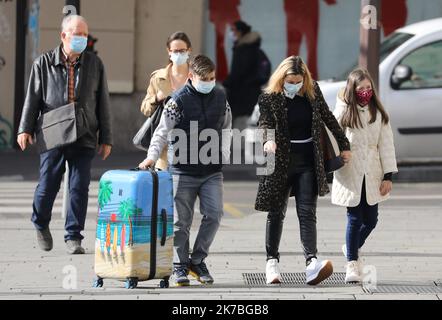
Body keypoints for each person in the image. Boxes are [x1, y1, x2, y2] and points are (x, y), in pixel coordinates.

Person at [17, 15, 113, 254]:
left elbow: (103, 102)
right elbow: (33, 98)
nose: (82, 38)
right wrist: (24, 128)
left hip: (85, 131)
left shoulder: (95, 64)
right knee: (48, 183)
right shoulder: (43, 63)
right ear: (64, 35)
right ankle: (40, 223)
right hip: (54, 130)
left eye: (84, 34)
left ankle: (74, 236)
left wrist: (106, 138)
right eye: (77, 34)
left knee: (79, 186)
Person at [254, 56, 351, 285]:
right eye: (290, 81)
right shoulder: (269, 98)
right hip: (279, 162)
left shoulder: (311, 91)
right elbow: (265, 123)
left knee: (307, 212)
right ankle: (271, 263)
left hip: (308, 161)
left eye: (298, 81)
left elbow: (328, 117)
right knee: (276, 212)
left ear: (304, 79)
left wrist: (344, 145)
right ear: (282, 78)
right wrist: (268, 141)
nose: (294, 85)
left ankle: (311, 263)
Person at [139, 55, 232, 287]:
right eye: (204, 78)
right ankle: (180, 265)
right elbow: (161, 131)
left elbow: (227, 125)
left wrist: (225, 151)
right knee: (181, 222)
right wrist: (151, 157)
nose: (209, 82)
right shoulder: (177, 100)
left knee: (215, 214)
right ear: (191, 76)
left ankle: (197, 260)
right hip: (182, 170)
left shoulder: (221, 96)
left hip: (212, 170)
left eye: (212, 78)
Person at [332, 68, 398, 283]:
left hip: (373, 172)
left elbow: (386, 144)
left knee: (371, 220)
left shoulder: (378, 113)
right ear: (352, 90)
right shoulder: (343, 112)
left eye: (369, 88)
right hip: (350, 171)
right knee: (354, 218)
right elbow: (331, 139)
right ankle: (351, 263)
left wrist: (388, 176)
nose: (365, 92)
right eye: (361, 89)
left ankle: (351, 247)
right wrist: (335, 160)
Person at [140, 32, 192, 171]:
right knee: (164, 189)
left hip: (193, 147)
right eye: (175, 51)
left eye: (182, 51)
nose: (179, 54)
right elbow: (145, 108)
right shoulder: (158, 78)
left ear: (189, 51)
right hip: (165, 150)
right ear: (169, 52)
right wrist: (157, 98)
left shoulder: (198, 76)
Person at [223, 20, 263, 131]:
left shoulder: (245, 49)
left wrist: (228, 82)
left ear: (240, 32)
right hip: (247, 93)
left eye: (233, 30)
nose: (231, 33)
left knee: (242, 125)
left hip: (244, 94)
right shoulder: (246, 47)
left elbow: (239, 72)